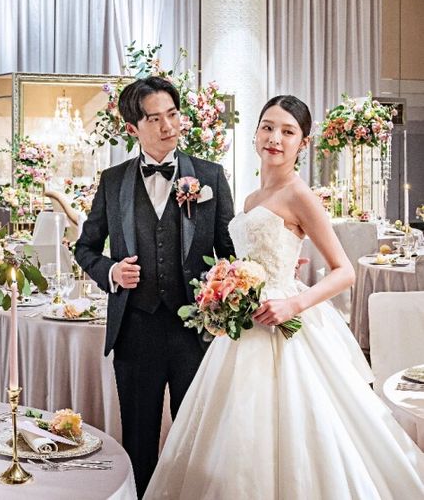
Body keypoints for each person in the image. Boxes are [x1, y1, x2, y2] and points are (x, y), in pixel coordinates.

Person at [144, 95, 424, 499]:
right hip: (245, 325)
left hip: (284, 324)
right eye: (268, 127)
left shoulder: (299, 194)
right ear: (256, 133)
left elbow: (344, 271)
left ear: (303, 143)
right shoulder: (251, 199)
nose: (275, 138)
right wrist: (225, 285)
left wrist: (293, 303)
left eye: (288, 132)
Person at [75, 76, 235, 497]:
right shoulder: (113, 181)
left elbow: (230, 253)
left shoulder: (211, 176)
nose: (168, 126)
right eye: (155, 119)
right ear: (133, 127)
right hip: (135, 331)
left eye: (173, 114)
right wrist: (112, 271)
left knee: (196, 439)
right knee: (138, 440)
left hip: (195, 333)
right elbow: (85, 248)